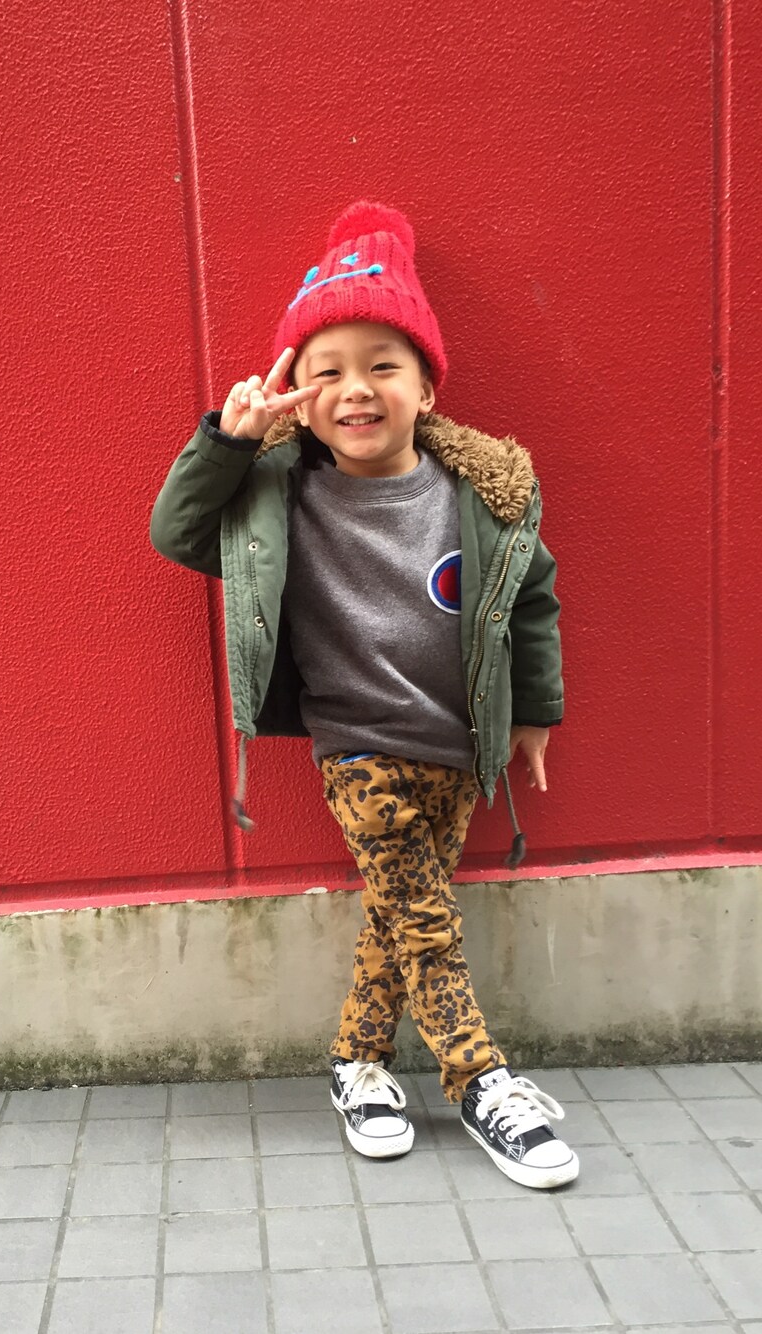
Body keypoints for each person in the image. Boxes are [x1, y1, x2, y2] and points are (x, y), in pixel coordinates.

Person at [150, 201, 578, 1190]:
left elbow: (532, 599)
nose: (355, 389)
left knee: (398, 915)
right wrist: (229, 442)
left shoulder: (481, 493)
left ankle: (357, 1064)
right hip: (356, 746)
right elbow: (177, 533)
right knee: (425, 920)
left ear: (424, 387)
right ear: (295, 395)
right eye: (326, 370)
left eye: (383, 365)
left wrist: (532, 711)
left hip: (457, 744)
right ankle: (481, 1080)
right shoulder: (277, 494)